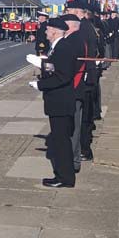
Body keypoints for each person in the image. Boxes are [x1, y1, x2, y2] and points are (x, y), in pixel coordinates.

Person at [30, 17, 87, 188]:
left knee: (61, 142)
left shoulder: (62, 48)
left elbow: (62, 76)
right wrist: (42, 63)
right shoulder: (58, 47)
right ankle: (62, 175)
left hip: (61, 101)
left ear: (54, 31)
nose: (45, 32)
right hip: (58, 102)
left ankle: (65, 178)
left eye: (47, 30)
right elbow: (55, 68)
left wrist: (39, 84)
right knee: (60, 140)